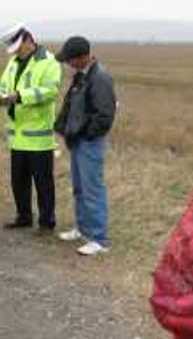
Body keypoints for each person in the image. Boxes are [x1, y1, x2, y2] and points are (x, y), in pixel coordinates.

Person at [0, 23, 61, 234]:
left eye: (19, 48)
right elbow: (4, 88)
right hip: (17, 135)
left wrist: (19, 97)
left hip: (38, 137)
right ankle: (23, 217)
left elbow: (49, 91)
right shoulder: (13, 63)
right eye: (14, 50)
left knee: (43, 183)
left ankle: (47, 223)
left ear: (29, 40)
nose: (17, 53)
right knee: (18, 181)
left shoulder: (48, 62)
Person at [54, 36, 117, 255]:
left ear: (82, 57)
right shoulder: (81, 76)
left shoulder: (100, 78)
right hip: (78, 141)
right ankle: (82, 229)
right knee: (80, 189)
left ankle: (99, 239)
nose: (67, 64)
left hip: (89, 143)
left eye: (70, 60)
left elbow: (105, 116)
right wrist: (65, 129)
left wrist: (87, 135)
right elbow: (73, 106)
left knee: (92, 190)